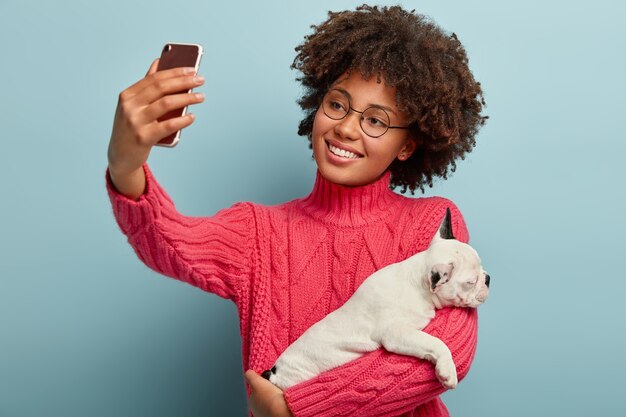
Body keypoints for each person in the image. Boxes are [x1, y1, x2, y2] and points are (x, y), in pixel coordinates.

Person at [106, 5, 487, 417]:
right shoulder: (259, 232)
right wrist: (125, 164)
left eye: (376, 121)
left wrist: (295, 408)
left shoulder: (433, 227)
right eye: (338, 105)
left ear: (408, 146)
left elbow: (449, 352)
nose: (346, 127)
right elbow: (168, 242)